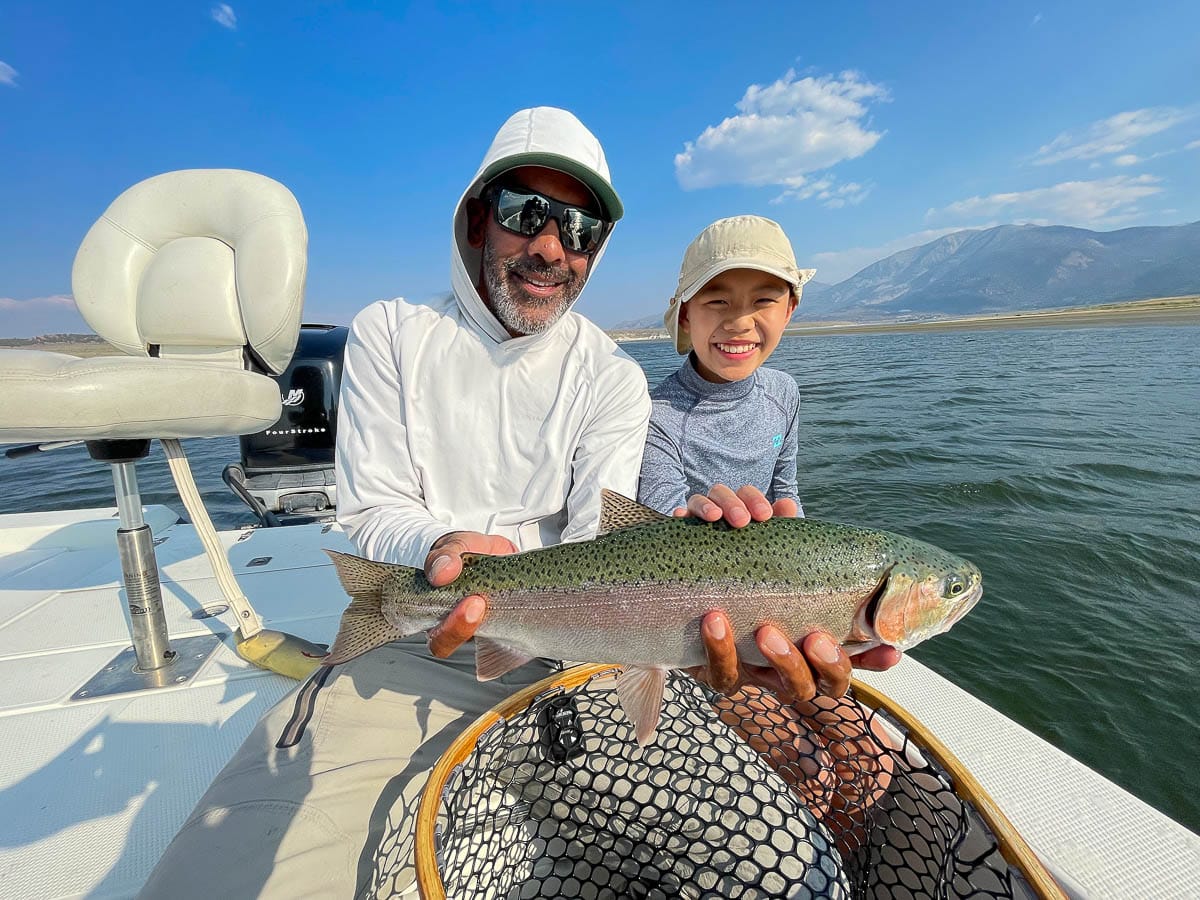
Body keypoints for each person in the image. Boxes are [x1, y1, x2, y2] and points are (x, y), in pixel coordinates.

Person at [138, 109, 859, 899]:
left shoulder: (612, 378)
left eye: (580, 230)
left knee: (788, 876)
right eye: (527, 215)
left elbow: (600, 532)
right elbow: (372, 508)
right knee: (241, 875)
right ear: (479, 217)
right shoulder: (390, 332)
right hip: (414, 645)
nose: (553, 246)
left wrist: (699, 566)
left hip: (592, 655)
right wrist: (444, 540)